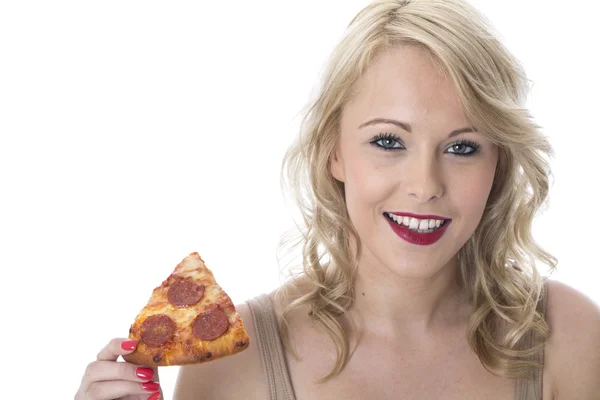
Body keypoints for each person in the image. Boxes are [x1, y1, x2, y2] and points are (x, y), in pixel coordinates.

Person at [75, 0, 600, 399]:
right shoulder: (236, 363)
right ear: (334, 152)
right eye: (389, 141)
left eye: (463, 147)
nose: (425, 185)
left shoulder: (568, 338)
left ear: (500, 163)